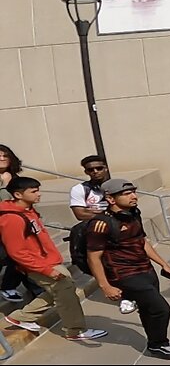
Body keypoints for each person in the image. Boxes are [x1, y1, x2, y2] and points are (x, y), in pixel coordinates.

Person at [86, 178, 170, 359]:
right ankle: (159, 344)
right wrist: (105, 286)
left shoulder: (134, 213)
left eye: (134, 192)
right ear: (111, 199)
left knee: (148, 309)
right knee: (161, 309)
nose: (134, 196)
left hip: (145, 269)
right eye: (127, 194)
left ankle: (158, 343)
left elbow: (142, 242)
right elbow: (93, 258)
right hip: (124, 274)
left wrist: (163, 264)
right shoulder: (100, 224)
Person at [1, 177, 107, 340]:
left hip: (49, 259)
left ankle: (22, 316)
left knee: (63, 289)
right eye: (34, 191)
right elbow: (17, 252)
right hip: (39, 264)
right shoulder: (12, 218)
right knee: (66, 291)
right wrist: (46, 270)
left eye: (38, 190)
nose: (39, 194)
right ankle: (75, 330)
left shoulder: (28, 211)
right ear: (18, 194)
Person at [69, 155, 137, 314]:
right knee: (105, 263)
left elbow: (129, 207)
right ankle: (124, 296)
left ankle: (131, 293)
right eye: (90, 169)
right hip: (96, 231)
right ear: (86, 171)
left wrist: (95, 212)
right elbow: (79, 214)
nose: (95, 172)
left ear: (106, 168)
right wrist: (108, 214)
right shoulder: (80, 189)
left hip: (123, 230)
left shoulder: (118, 185)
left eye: (99, 168)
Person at [0, 145, 39, 305]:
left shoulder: (16, 178)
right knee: (9, 256)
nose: (2, 159)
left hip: (19, 223)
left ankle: (34, 290)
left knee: (20, 255)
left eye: (5, 156)